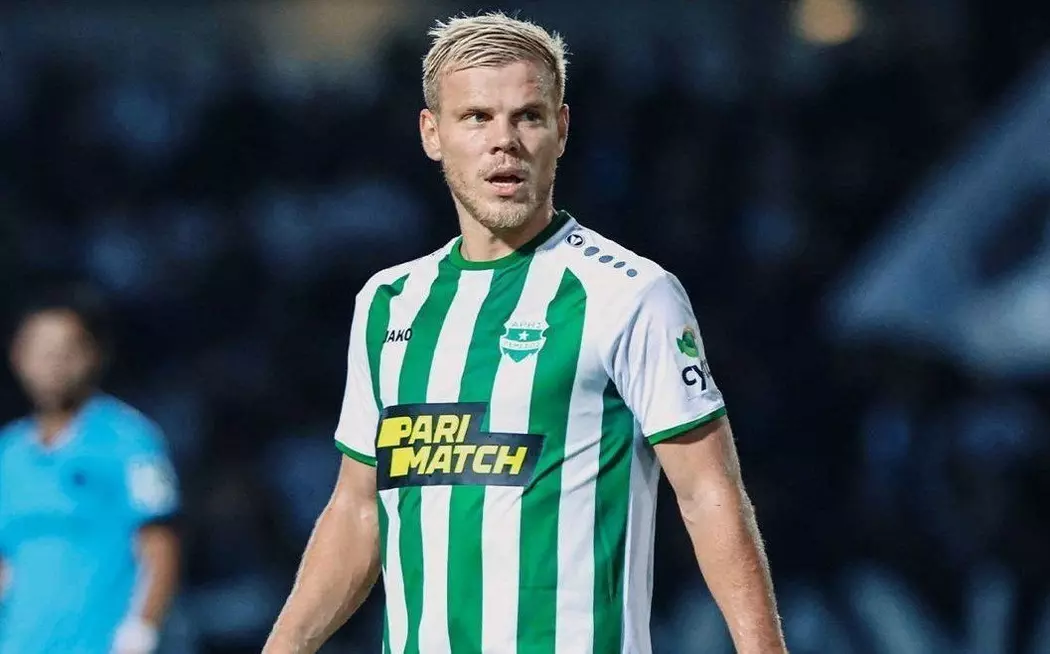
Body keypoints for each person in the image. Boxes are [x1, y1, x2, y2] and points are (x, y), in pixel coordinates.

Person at [265, 11, 787, 654]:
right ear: (432, 133)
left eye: (528, 117)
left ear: (561, 130)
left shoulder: (630, 294)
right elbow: (358, 508)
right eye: (476, 117)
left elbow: (708, 492)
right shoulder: (388, 303)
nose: (504, 141)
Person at [0, 290, 181, 654]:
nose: (54, 363)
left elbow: (161, 544)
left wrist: (142, 631)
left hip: (100, 643)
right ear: (17, 356)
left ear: (94, 354)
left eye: (67, 350)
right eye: (42, 350)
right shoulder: (8, 451)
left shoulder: (130, 439)